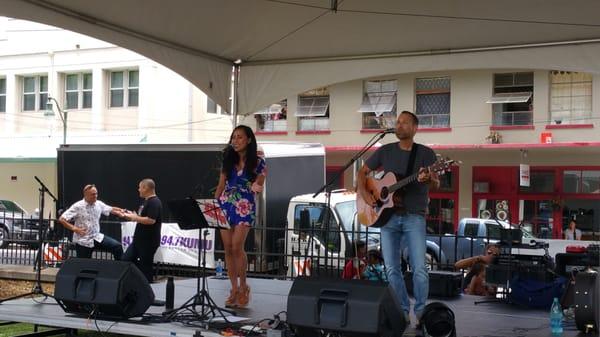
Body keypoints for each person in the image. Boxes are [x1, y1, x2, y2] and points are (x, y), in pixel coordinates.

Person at [357, 110, 439, 324]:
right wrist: (366, 195)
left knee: (419, 267)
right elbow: (362, 172)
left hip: (414, 216)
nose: (399, 125)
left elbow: (436, 183)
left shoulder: (425, 153)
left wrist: (426, 179)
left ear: (414, 128)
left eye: (404, 123)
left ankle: (421, 313)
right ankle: (403, 309)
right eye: (398, 122)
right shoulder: (385, 151)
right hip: (388, 217)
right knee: (392, 268)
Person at [215, 125, 266, 308]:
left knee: (237, 246)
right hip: (226, 204)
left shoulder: (258, 161)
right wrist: (215, 207)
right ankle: (234, 288)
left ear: (249, 140)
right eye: (233, 137)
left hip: (244, 204)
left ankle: (244, 286)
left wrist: (257, 185)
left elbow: (259, 184)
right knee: (228, 248)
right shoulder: (227, 160)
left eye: (240, 137)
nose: (235, 141)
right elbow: (221, 186)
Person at [58, 184, 125, 260]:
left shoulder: (98, 204)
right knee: (84, 266)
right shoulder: (77, 206)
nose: (95, 196)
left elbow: (111, 209)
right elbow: (62, 219)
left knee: (117, 247)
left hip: (96, 237)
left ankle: (119, 270)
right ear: (86, 195)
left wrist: (121, 211)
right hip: (83, 240)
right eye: (93, 194)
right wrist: (75, 229)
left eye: (96, 193)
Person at [122, 178, 162, 283]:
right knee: (126, 259)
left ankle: (148, 288)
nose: (138, 190)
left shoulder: (154, 202)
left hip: (148, 241)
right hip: (139, 240)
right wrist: (131, 215)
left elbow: (151, 220)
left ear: (145, 188)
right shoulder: (146, 201)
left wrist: (134, 217)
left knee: (146, 266)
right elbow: (142, 217)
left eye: (140, 187)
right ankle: (136, 281)